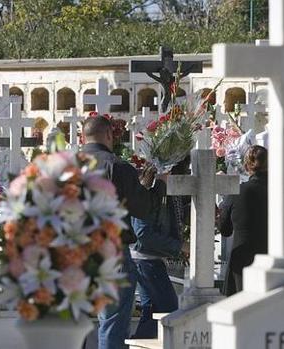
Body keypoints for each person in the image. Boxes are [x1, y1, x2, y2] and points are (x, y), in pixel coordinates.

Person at [81, 115, 166, 349]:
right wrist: (158, 186)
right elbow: (143, 208)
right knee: (112, 324)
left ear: (83, 136)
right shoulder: (116, 166)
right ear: (109, 135)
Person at [130, 158, 190, 339]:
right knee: (169, 309)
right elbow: (144, 234)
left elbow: (165, 219)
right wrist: (180, 245)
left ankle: (137, 343)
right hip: (145, 260)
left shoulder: (160, 192)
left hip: (149, 260)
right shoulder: (149, 192)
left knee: (151, 313)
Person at [218, 145, 269, 296]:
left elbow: (225, 229)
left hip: (243, 261)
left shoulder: (238, 192)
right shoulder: (281, 191)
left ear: (247, 166)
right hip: (272, 258)